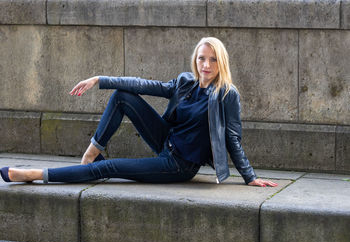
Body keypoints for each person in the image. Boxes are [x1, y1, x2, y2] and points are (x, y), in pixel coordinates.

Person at [1, 37, 277, 187]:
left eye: (213, 59)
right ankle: (91, 151)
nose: (206, 64)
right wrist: (100, 80)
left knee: (108, 168)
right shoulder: (185, 82)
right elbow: (144, 85)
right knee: (123, 96)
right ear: (195, 59)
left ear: (221, 63)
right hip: (164, 141)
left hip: (179, 165)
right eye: (201, 58)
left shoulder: (227, 94)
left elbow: (233, 138)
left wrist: (249, 176)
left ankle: (35, 175)